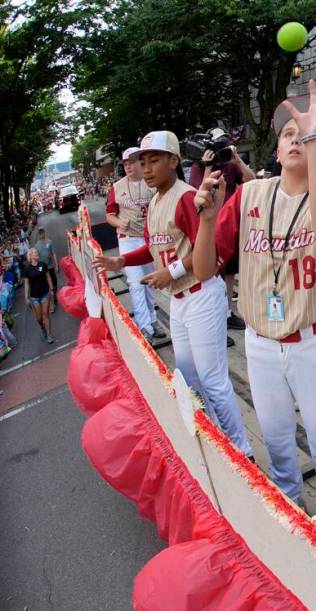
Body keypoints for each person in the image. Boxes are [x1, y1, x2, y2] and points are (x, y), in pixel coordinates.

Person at [192, 76, 316, 505]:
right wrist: (207, 221)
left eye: (307, 135)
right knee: (279, 445)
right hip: (260, 341)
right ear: (277, 151)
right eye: (287, 134)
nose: (296, 139)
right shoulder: (248, 196)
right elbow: (203, 270)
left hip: (312, 341)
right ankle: (292, 515)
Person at [94, 130, 251, 458]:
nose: (146, 168)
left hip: (201, 293)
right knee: (189, 374)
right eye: (142, 162)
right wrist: (121, 259)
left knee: (213, 378)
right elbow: (153, 247)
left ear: (174, 161)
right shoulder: (154, 202)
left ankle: (242, 448)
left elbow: (206, 250)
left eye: (154, 160)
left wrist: (171, 271)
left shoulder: (186, 196)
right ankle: (219, 439)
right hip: (178, 300)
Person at [187, 131, 255, 334]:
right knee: (215, 273)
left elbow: (251, 181)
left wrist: (237, 160)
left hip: (234, 223)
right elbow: (199, 193)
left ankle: (226, 312)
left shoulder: (230, 163)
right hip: (213, 226)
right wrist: (208, 165)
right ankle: (217, 317)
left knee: (230, 271)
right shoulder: (199, 166)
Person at [105, 147, 165, 341]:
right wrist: (119, 222)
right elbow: (109, 215)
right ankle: (144, 324)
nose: (129, 166)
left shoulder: (152, 183)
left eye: (132, 162)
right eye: (125, 163)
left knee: (149, 280)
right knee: (135, 282)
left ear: (141, 162)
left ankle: (152, 319)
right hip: (128, 239)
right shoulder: (117, 187)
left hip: (149, 239)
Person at [24, 248, 55, 343]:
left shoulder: (43, 265)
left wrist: (52, 288)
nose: (37, 253)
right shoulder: (27, 269)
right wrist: (26, 297)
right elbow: (27, 284)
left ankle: (49, 335)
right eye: (35, 253)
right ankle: (42, 327)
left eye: (37, 252)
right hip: (34, 297)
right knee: (39, 318)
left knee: (46, 314)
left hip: (45, 293)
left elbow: (48, 277)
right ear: (30, 256)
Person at [33, 228, 57, 313]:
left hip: (50, 266)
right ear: (38, 235)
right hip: (42, 269)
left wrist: (56, 265)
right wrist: (38, 270)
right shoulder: (36, 246)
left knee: (54, 283)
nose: (42, 235)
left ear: (44, 233)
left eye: (42, 233)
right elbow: (36, 260)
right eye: (40, 234)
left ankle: (54, 296)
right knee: (47, 285)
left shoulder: (49, 242)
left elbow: (53, 253)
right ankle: (51, 304)